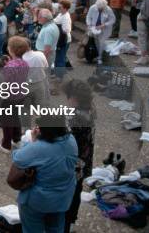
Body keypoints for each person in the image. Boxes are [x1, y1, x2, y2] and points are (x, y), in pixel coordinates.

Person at [10, 115, 78, 233]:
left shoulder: (38, 148)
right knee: (56, 228)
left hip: (38, 200)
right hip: (63, 198)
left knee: (31, 229)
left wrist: (32, 140)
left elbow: (18, 158)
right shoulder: (71, 140)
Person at [62, 81, 96, 233]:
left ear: (74, 98)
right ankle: (71, 223)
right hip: (85, 159)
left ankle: (65, 225)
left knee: (69, 194)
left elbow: (64, 138)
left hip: (73, 163)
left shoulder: (74, 117)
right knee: (76, 192)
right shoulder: (91, 109)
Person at [0, 37, 30, 154]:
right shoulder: (25, 63)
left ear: (12, 50)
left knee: (6, 121)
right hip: (21, 94)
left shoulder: (9, 67)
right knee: (15, 117)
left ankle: (6, 145)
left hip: (9, 97)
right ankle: (17, 139)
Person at [86, 0, 116, 65]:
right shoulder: (93, 7)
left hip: (104, 29)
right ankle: (92, 55)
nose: (100, 10)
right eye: (99, 8)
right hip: (93, 28)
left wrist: (104, 25)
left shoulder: (108, 9)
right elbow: (88, 17)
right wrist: (89, 24)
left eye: (101, 9)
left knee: (101, 43)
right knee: (94, 42)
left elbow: (113, 20)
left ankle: (100, 57)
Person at [54, 0, 72, 83]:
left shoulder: (66, 17)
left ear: (65, 8)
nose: (58, 8)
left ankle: (59, 76)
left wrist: (58, 27)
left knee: (60, 58)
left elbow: (67, 29)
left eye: (60, 7)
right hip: (60, 39)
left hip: (64, 40)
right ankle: (58, 73)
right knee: (59, 57)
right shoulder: (61, 14)